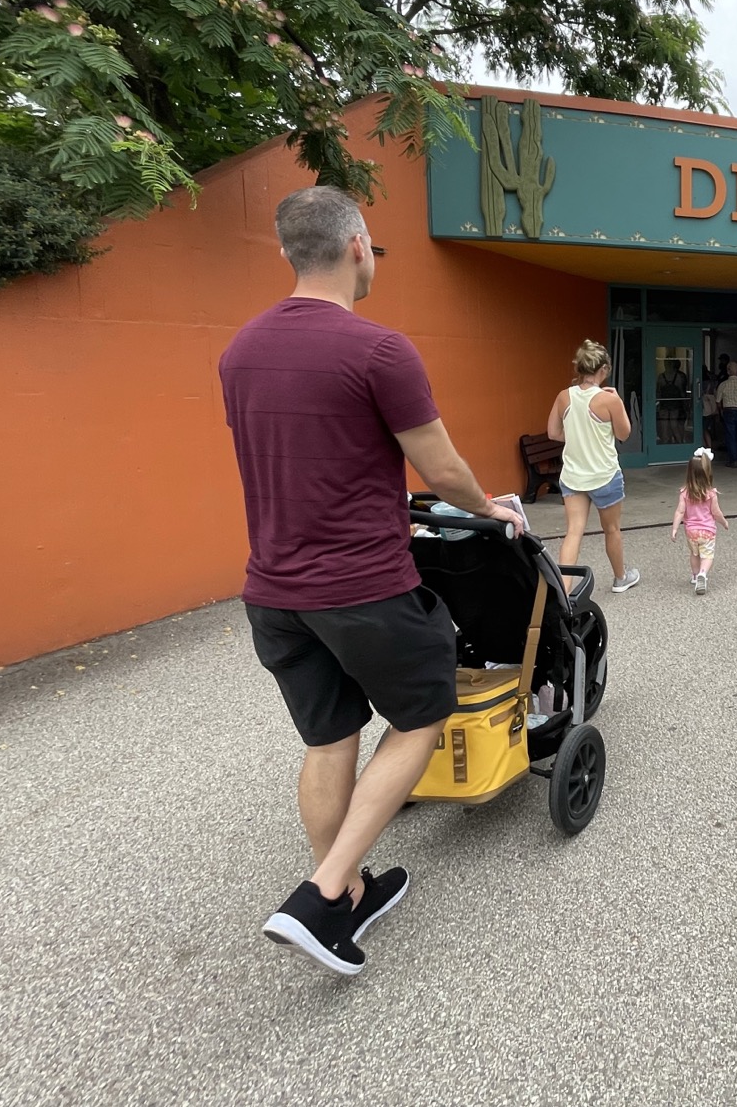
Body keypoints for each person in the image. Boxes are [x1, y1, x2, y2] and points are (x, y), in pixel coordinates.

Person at [219, 185, 525, 978]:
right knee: (425, 712)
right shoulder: (379, 350)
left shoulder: (239, 352)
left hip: (273, 591)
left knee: (329, 737)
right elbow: (442, 467)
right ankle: (322, 895)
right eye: (375, 247)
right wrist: (491, 508)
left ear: (290, 252)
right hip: (363, 585)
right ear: (357, 245)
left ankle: (349, 890)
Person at [547, 340, 639, 594]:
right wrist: (618, 403)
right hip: (604, 475)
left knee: (573, 532)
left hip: (573, 476)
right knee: (611, 529)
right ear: (604, 369)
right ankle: (621, 578)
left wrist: (578, 435)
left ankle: (564, 593)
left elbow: (553, 433)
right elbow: (623, 434)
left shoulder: (564, 396)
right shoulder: (608, 399)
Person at [669, 447, 729, 595]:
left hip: (691, 532)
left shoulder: (684, 493)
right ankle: (703, 573)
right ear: (708, 473)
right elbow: (716, 513)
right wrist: (724, 522)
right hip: (707, 532)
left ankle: (695, 576)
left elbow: (680, 511)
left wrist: (675, 528)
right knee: (707, 556)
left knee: (694, 554)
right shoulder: (711, 494)